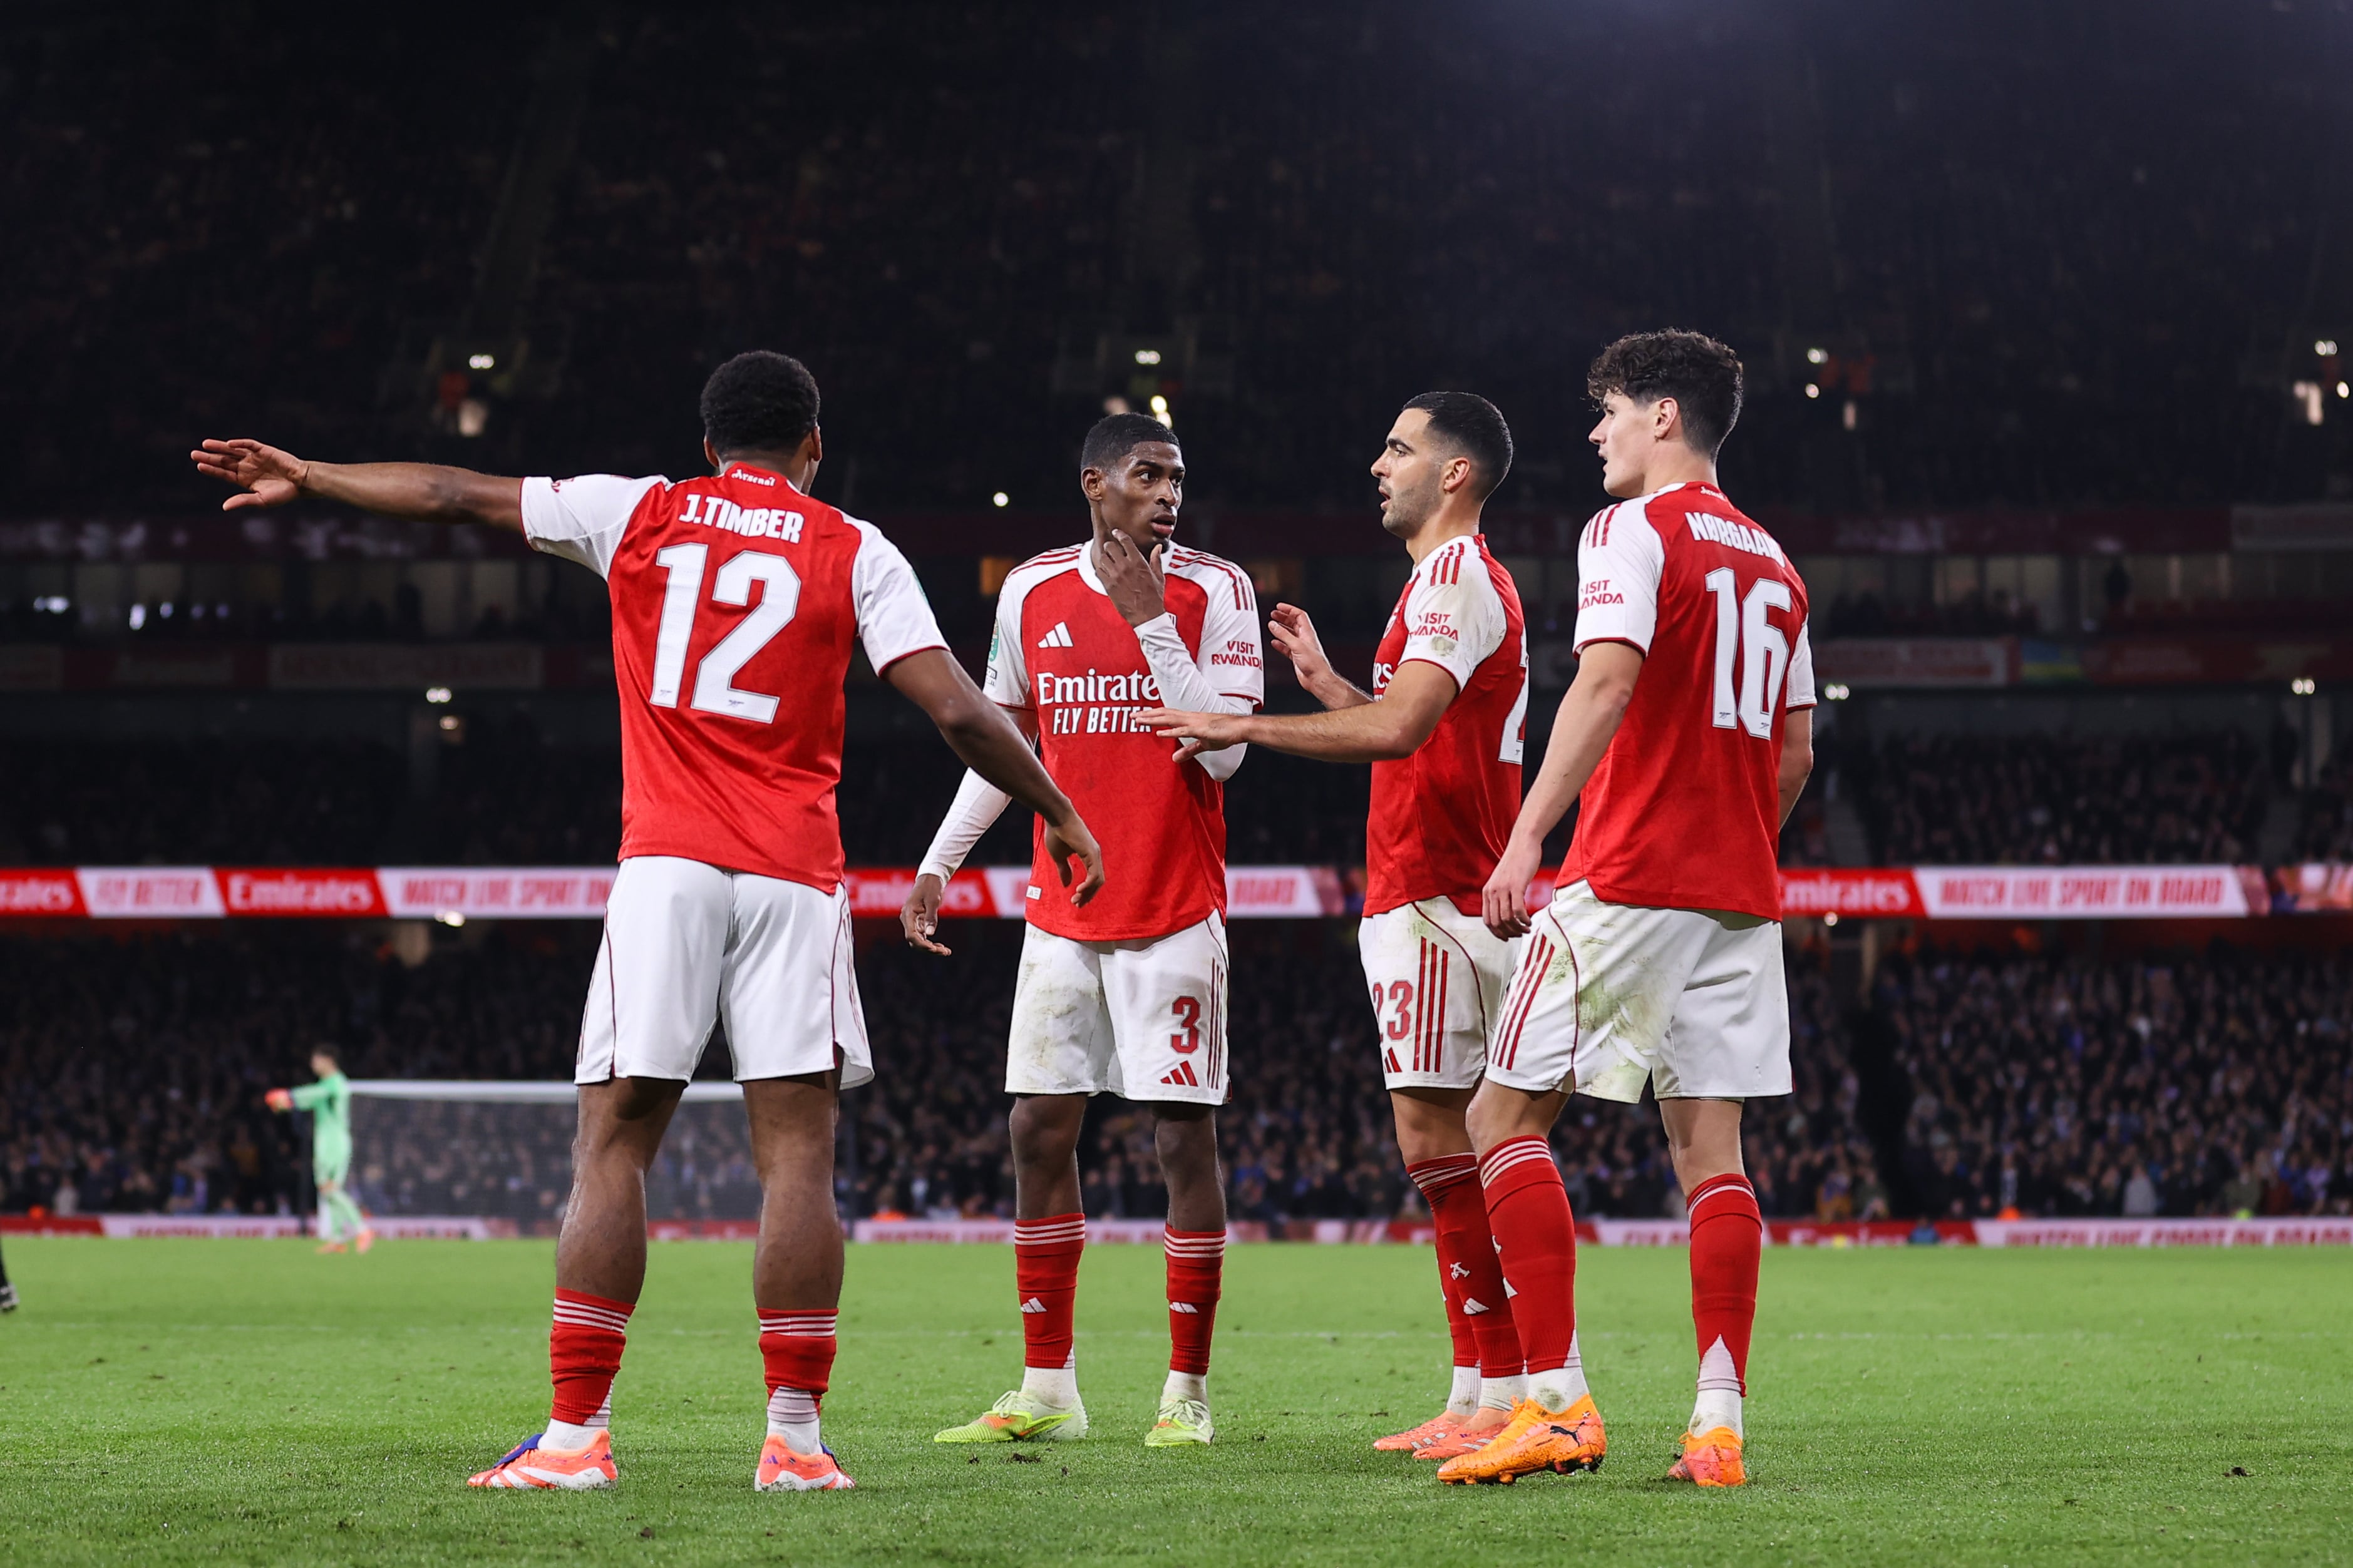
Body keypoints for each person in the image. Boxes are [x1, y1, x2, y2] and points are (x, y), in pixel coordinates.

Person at [195, 351, 1102, 1495]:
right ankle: (797, 1444)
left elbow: (451, 494)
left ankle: (575, 1441)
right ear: (813, 448)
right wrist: (1058, 809)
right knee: (798, 1162)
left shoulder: (640, 510)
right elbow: (958, 712)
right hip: (793, 878)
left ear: (708, 440)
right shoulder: (855, 547)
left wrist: (312, 473)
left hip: (667, 866)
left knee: (614, 1144)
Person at [1445, 329, 1814, 1487]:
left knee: (1497, 1123)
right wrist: (1731, 836)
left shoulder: (1629, 530)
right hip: (1737, 894)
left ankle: (1553, 1402)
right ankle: (1716, 1425)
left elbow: (1600, 683)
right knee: (1712, 1154)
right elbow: (1794, 751)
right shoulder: (1777, 564)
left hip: (1629, 872)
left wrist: (1524, 838)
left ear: (1663, 416)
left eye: (1606, 411)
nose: (1595, 432)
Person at [1136, 392, 1534, 1461]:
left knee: (1448, 1140)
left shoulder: (1454, 579)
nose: (1377, 464)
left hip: (1440, 894)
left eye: (1398, 449)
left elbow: (1399, 729)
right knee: (1439, 1139)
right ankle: (1479, 1387)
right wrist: (1328, 687)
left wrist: (1242, 722)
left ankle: (1509, 1384)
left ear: (1453, 473)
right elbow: (1416, 730)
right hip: (1429, 886)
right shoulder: (1446, 585)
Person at [902, 413, 1262, 1448]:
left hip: (1174, 907)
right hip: (1062, 911)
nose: (1166, 493)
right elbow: (1007, 741)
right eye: (1146, 475)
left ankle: (1185, 1396)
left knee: (1178, 1138)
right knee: (1034, 1129)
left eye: (1178, 477)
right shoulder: (1030, 589)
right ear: (1093, 483)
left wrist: (1153, 622)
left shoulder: (1217, 589)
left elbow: (1226, 753)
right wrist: (938, 862)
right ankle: (1048, 1388)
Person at [264, 1047, 374, 1254]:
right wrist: (288, 1103)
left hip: (334, 1142)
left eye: (316, 1060)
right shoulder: (325, 1085)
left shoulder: (336, 1083)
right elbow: (312, 1099)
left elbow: (313, 1095)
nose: (313, 1064)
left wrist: (289, 1096)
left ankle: (363, 1229)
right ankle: (338, 1238)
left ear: (329, 1060)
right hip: (325, 1141)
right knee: (327, 1190)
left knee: (331, 1189)